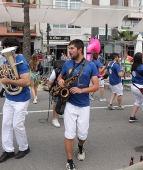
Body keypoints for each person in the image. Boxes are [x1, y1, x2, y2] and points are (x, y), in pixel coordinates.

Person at [57, 39, 99, 170]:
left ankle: (80, 146)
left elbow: (96, 86)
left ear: (80, 50)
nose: (69, 51)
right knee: (69, 134)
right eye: (69, 48)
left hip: (84, 105)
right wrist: (60, 81)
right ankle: (69, 161)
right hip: (70, 103)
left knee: (82, 134)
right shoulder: (67, 64)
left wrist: (82, 90)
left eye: (72, 48)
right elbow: (60, 77)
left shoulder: (91, 65)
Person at [0, 37, 31, 163]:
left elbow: (26, 81)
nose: (3, 50)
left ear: (11, 47)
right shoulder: (6, 61)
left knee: (17, 125)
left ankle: (24, 147)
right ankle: (8, 150)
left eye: (5, 47)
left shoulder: (20, 60)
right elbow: (5, 77)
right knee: (6, 124)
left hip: (21, 99)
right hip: (10, 97)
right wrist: (3, 77)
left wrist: (8, 80)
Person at [129, 52, 143, 125]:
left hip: (134, 86)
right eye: (142, 57)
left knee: (138, 101)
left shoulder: (133, 66)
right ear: (140, 58)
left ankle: (132, 117)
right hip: (142, 88)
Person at [48, 60, 65, 128]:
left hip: (64, 89)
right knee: (56, 103)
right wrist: (53, 91)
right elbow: (49, 84)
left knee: (64, 101)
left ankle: (61, 113)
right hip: (57, 89)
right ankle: (54, 119)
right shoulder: (55, 72)